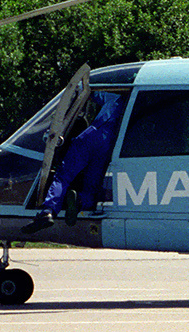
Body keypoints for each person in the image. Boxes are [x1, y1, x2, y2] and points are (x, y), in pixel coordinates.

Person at [22, 92, 124, 234]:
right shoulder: (131, 105)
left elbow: (90, 92)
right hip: (108, 145)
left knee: (63, 176)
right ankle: (80, 200)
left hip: (90, 137)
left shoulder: (115, 97)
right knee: (92, 185)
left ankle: (48, 210)